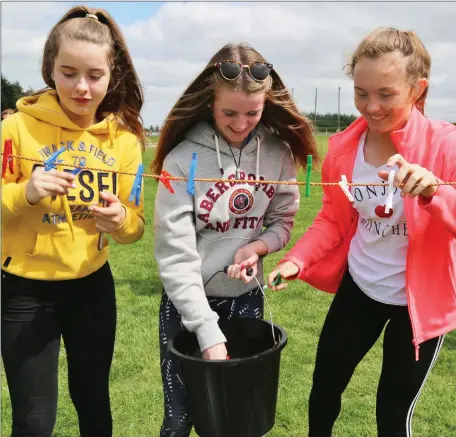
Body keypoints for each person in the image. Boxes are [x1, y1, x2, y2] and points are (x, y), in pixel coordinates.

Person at [268, 27, 456, 437]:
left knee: (392, 413)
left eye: (385, 94)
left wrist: (435, 194)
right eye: (361, 93)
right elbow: (333, 220)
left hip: (418, 304)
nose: (370, 107)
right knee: (324, 390)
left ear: (417, 88)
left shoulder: (446, 146)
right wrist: (296, 260)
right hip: (361, 288)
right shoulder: (342, 149)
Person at [152, 43, 319, 436]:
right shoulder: (181, 161)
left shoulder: (277, 154)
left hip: (246, 301)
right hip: (187, 306)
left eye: (252, 113)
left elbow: (282, 221)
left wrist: (257, 248)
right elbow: (176, 258)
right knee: (179, 420)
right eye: (229, 112)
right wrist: (207, 333)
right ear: (210, 101)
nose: (241, 123)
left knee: (237, 420)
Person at [1, 6, 145, 437]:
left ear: (111, 75)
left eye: (94, 75)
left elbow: (134, 227)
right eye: (68, 73)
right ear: (50, 70)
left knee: (93, 401)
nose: (82, 87)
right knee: (33, 417)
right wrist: (25, 193)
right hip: (23, 291)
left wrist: (120, 220)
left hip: (91, 289)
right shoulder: (15, 130)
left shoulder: (125, 141)